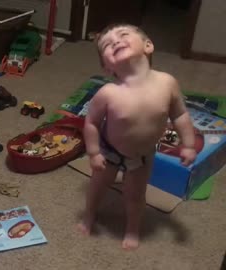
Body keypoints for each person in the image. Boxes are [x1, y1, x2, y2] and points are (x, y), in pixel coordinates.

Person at [77, 23, 197, 250]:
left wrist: (188, 144)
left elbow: (180, 114)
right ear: (107, 68)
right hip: (109, 151)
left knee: (135, 195)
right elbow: (91, 122)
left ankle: (132, 227)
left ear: (148, 46)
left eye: (123, 35)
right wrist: (93, 152)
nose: (116, 42)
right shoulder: (108, 93)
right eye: (107, 45)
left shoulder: (167, 83)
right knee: (98, 186)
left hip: (142, 156)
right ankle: (89, 214)